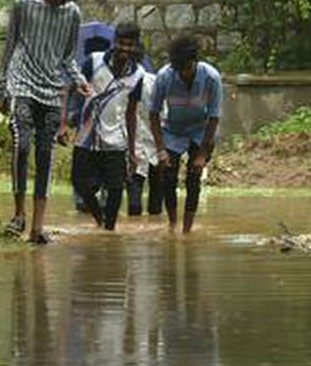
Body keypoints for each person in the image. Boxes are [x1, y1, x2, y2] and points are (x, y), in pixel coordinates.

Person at [0, 0, 92, 245]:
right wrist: (0, 90)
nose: (62, 3)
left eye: (67, 0)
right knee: (22, 144)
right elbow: (10, 46)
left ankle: (37, 228)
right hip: (22, 82)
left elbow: (66, 57)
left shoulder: (72, 13)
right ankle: (18, 215)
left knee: (45, 155)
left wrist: (79, 80)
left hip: (51, 89)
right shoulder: (23, 4)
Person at [71, 22, 146, 232]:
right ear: (114, 42)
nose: (125, 49)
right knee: (79, 183)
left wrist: (132, 151)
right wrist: (64, 123)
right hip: (86, 137)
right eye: (121, 43)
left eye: (130, 45)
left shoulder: (138, 75)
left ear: (135, 46)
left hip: (116, 140)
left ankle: (108, 231)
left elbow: (132, 113)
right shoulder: (94, 61)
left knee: (115, 190)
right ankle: (99, 219)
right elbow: (71, 87)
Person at [148, 35, 223, 233]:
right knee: (168, 176)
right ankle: (172, 225)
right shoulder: (164, 76)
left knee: (193, 178)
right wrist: (161, 150)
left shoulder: (211, 77)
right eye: (179, 70)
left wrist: (202, 155)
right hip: (173, 130)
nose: (183, 74)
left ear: (194, 62)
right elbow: (153, 113)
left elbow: (214, 116)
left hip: (201, 131)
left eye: (187, 69)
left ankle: (187, 230)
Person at [61, 35, 112, 213]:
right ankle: (94, 199)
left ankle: (85, 199)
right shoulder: (98, 70)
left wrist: (71, 119)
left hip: (91, 130)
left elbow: (74, 100)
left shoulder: (88, 68)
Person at [126, 51, 160, 217]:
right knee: (135, 205)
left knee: (154, 205)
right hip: (132, 146)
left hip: (154, 144)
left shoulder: (153, 82)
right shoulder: (117, 83)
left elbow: (163, 114)